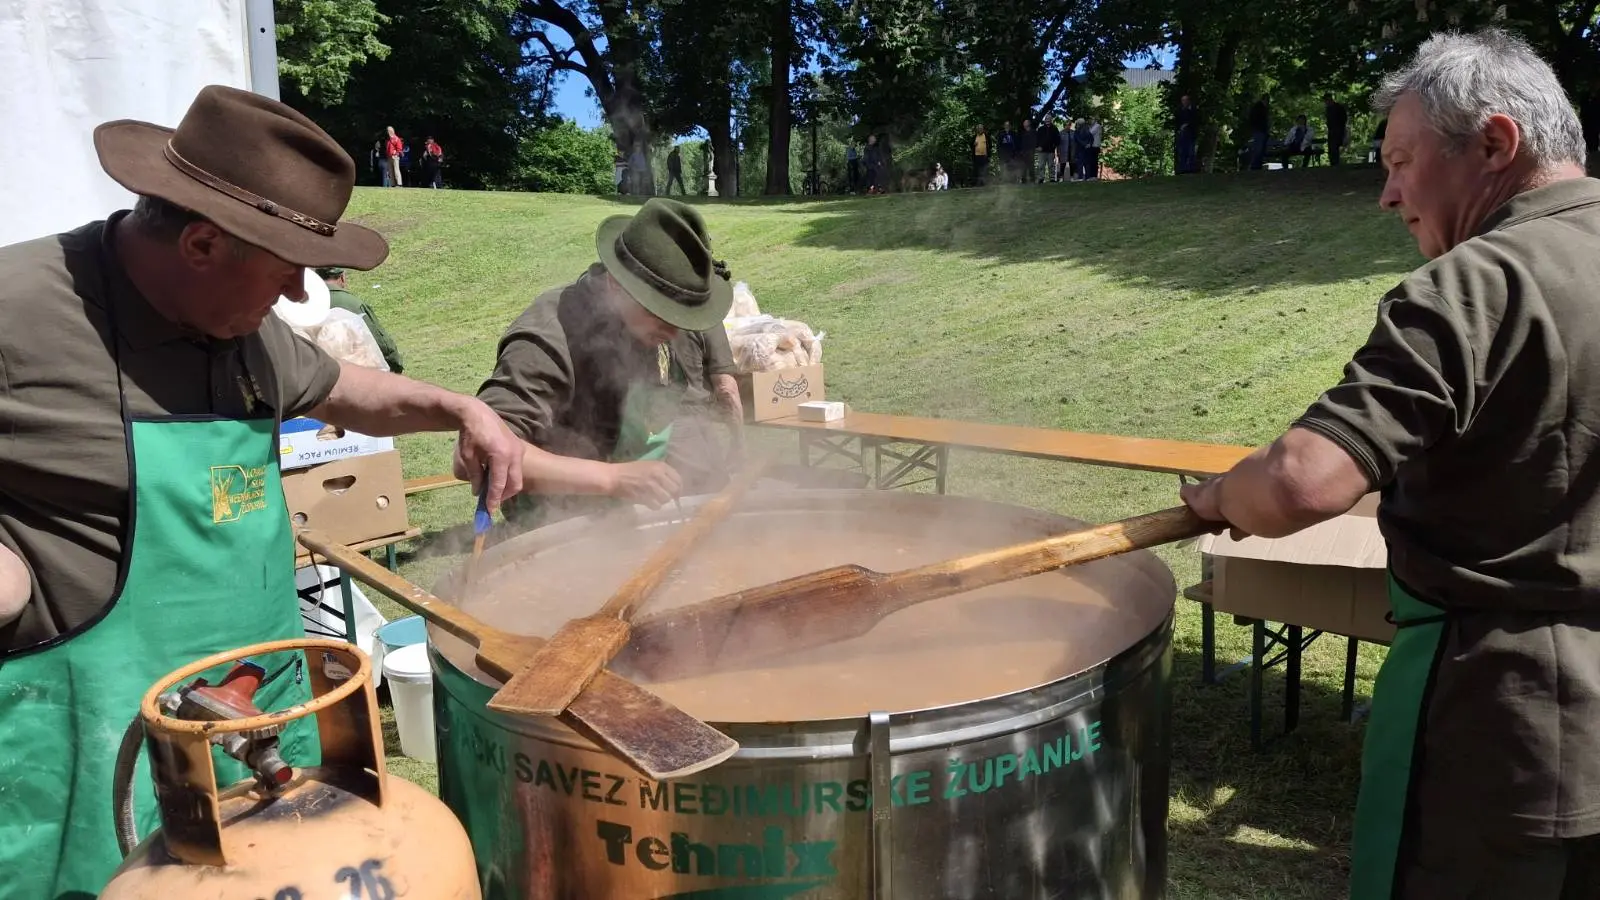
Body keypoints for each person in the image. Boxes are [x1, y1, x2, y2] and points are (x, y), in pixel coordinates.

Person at [0, 85, 522, 898]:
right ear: (203, 243)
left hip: (261, 718)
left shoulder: (239, 323)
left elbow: (340, 388)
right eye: (287, 274)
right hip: (96, 745)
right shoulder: (19, 309)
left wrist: (458, 406)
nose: (295, 299)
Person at [1179, 29, 1600, 900]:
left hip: (1504, 727)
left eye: (1402, 160)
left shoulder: (1481, 281)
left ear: (1494, 143)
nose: (1386, 195)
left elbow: (1304, 479)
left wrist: (1222, 496)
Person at [471, 197, 744, 531]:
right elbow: (485, 452)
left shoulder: (650, 327)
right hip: (556, 520)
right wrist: (612, 478)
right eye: (660, 312)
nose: (674, 331)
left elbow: (672, 416)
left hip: (628, 510)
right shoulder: (547, 336)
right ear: (616, 286)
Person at [317, 266, 406, 374]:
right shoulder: (353, 304)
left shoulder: (305, 304)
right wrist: (395, 364)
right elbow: (381, 343)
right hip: (359, 373)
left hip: (323, 375)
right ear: (342, 277)